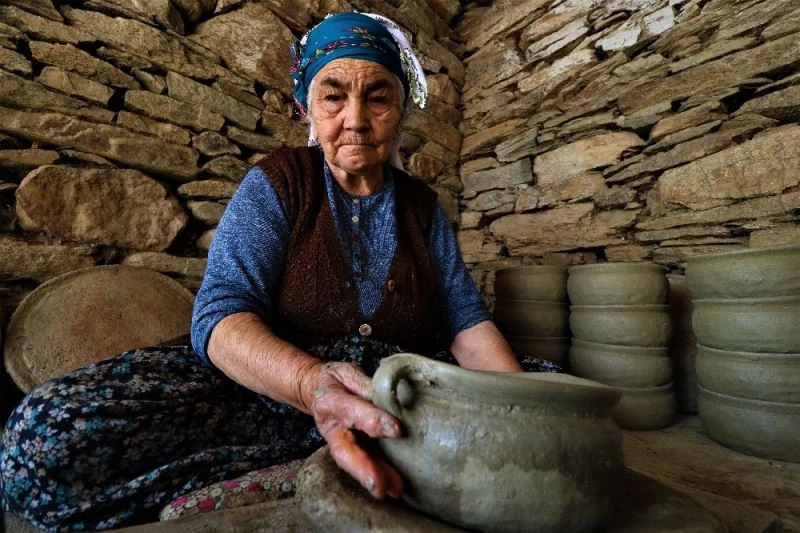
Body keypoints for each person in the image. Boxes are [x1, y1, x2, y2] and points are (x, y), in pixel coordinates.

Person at [0, 12, 557, 531]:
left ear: (402, 108)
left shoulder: (424, 209)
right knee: (45, 435)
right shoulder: (278, 182)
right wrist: (310, 384)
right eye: (333, 96)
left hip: (390, 388)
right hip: (272, 386)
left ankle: (318, 462)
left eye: (378, 97)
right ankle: (330, 459)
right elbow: (221, 316)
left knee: (548, 391)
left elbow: (465, 323)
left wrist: (527, 411)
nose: (356, 120)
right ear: (306, 108)